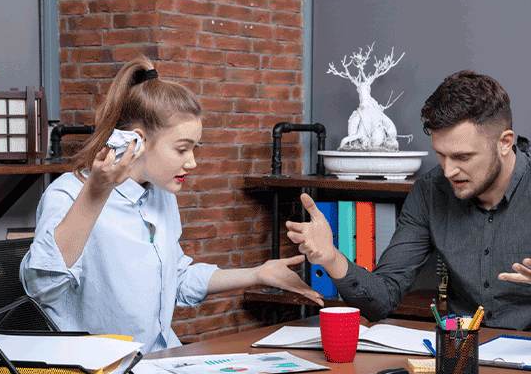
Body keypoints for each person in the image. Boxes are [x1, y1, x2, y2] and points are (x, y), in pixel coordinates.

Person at [286, 70, 531, 343]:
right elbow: (383, 298)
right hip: (467, 364)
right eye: (441, 155)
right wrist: (331, 258)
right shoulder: (430, 191)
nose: (449, 170)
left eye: (463, 157)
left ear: (505, 143)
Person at [20, 55, 323, 354]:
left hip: (159, 365)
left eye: (194, 149)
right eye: (182, 149)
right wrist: (96, 193)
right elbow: (43, 287)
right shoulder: (69, 194)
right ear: (137, 141)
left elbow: (175, 280)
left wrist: (258, 273)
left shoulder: (160, 196)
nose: (191, 162)